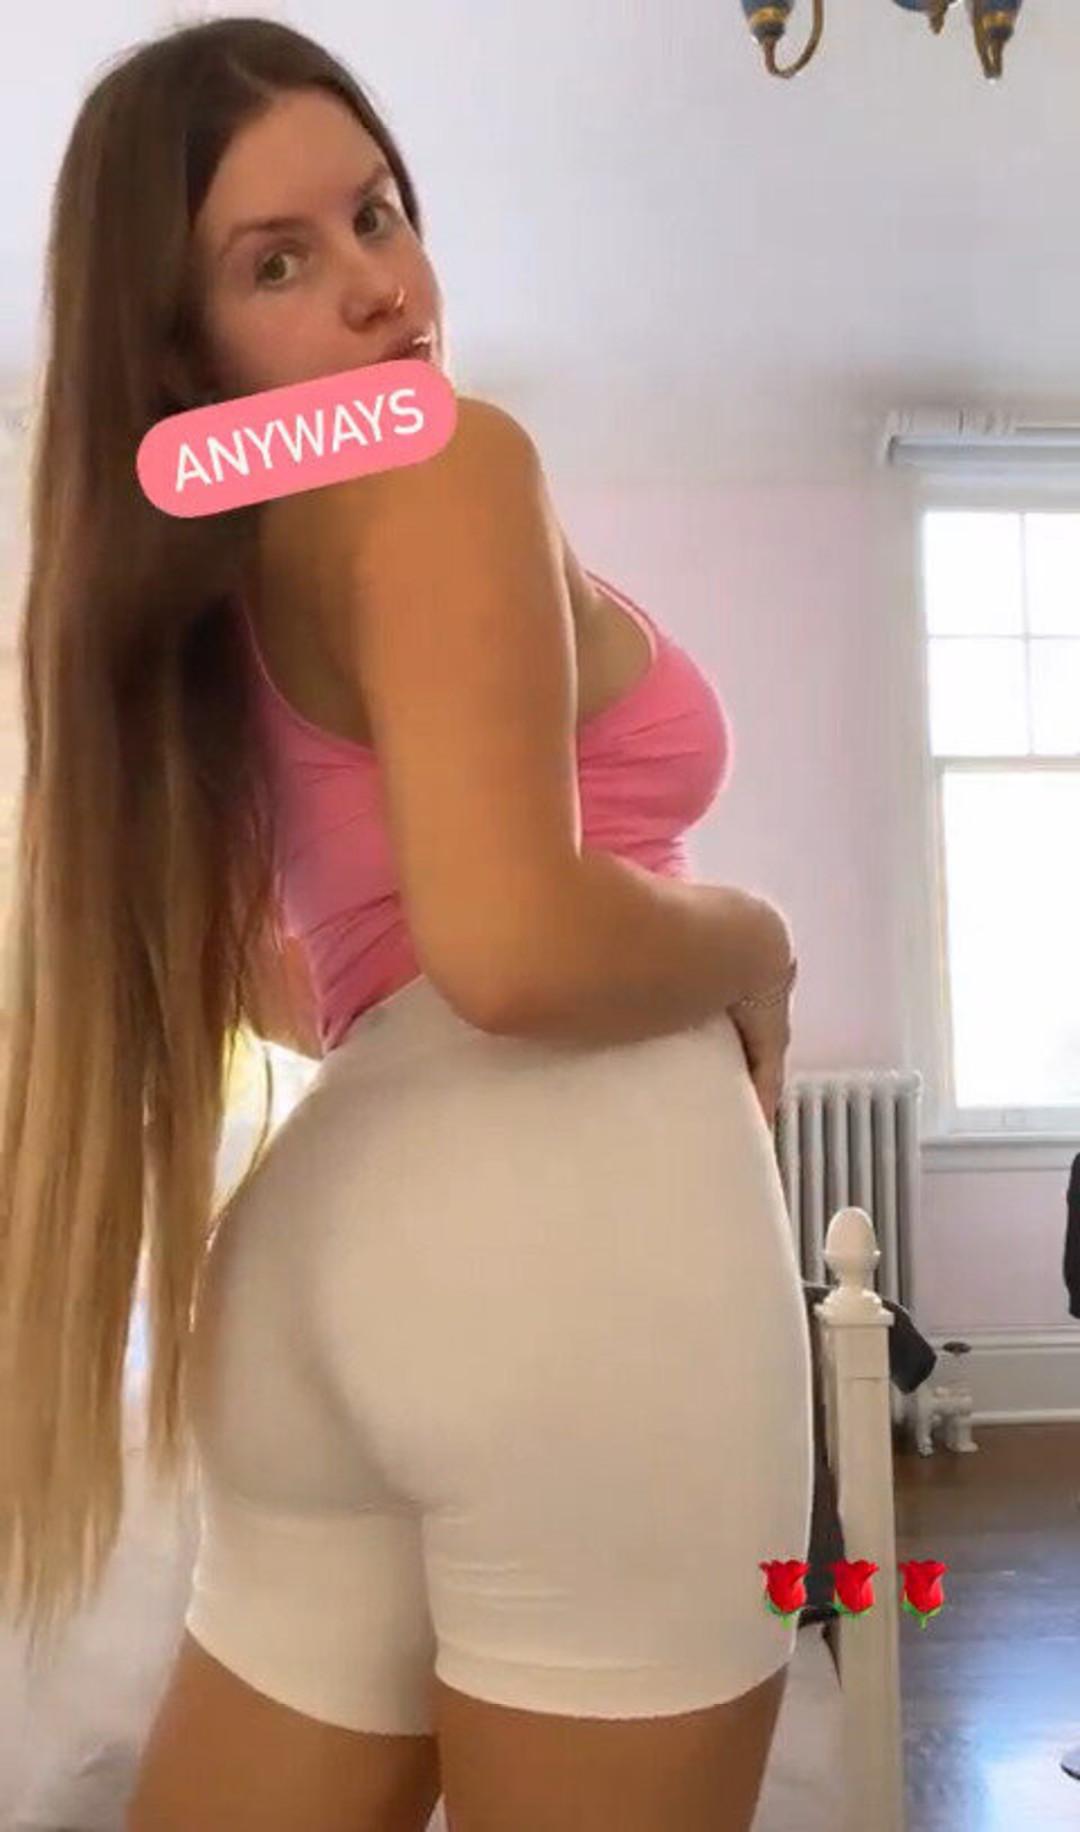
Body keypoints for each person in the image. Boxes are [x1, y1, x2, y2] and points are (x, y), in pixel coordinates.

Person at [0, 18, 811, 1831]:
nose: (380, 285)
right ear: (183, 350)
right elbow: (508, 949)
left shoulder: (209, 585)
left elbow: (307, 981)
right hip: (578, 1244)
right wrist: (751, 939)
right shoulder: (448, 468)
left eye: (377, 213)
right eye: (278, 263)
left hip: (319, 1252)